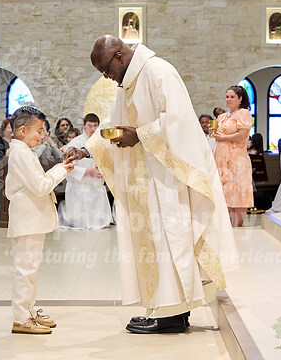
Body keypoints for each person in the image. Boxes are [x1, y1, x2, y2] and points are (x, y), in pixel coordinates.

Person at [66, 36, 238, 334]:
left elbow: (179, 121)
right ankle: (170, 309)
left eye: (106, 70)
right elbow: (112, 123)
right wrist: (85, 150)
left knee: (168, 241)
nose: (107, 77)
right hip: (146, 181)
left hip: (167, 180)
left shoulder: (158, 72)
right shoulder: (128, 84)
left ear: (118, 56)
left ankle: (172, 314)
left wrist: (140, 135)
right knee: (157, 244)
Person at [5, 106, 75, 334]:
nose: (43, 135)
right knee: (25, 270)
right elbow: (40, 186)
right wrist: (61, 171)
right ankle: (21, 318)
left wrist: (60, 168)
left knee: (31, 269)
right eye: (39, 130)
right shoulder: (20, 153)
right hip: (27, 218)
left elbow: (37, 181)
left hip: (31, 218)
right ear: (23, 131)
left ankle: (29, 310)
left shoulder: (24, 151)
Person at [59, 113, 112, 229]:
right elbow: (67, 166)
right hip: (79, 187)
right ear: (84, 126)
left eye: (95, 126)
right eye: (89, 125)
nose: (92, 129)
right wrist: (89, 172)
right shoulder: (75, 143)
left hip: (96, 185)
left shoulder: (102, 142)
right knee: (80, 223)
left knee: (100, 224)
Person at [214, 85, 254, 227]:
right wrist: (214, 132)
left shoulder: (243, 113)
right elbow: (217, 135)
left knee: (238, 192)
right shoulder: (222, 116)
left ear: (240, 99)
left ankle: (237, 227)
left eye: (232, 97)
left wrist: (223, 137)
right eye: (227, 96)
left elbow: (243, 135)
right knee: (226, 193)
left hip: (237, 158)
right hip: (221, 158)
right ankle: (227, 227)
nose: (229, 99)